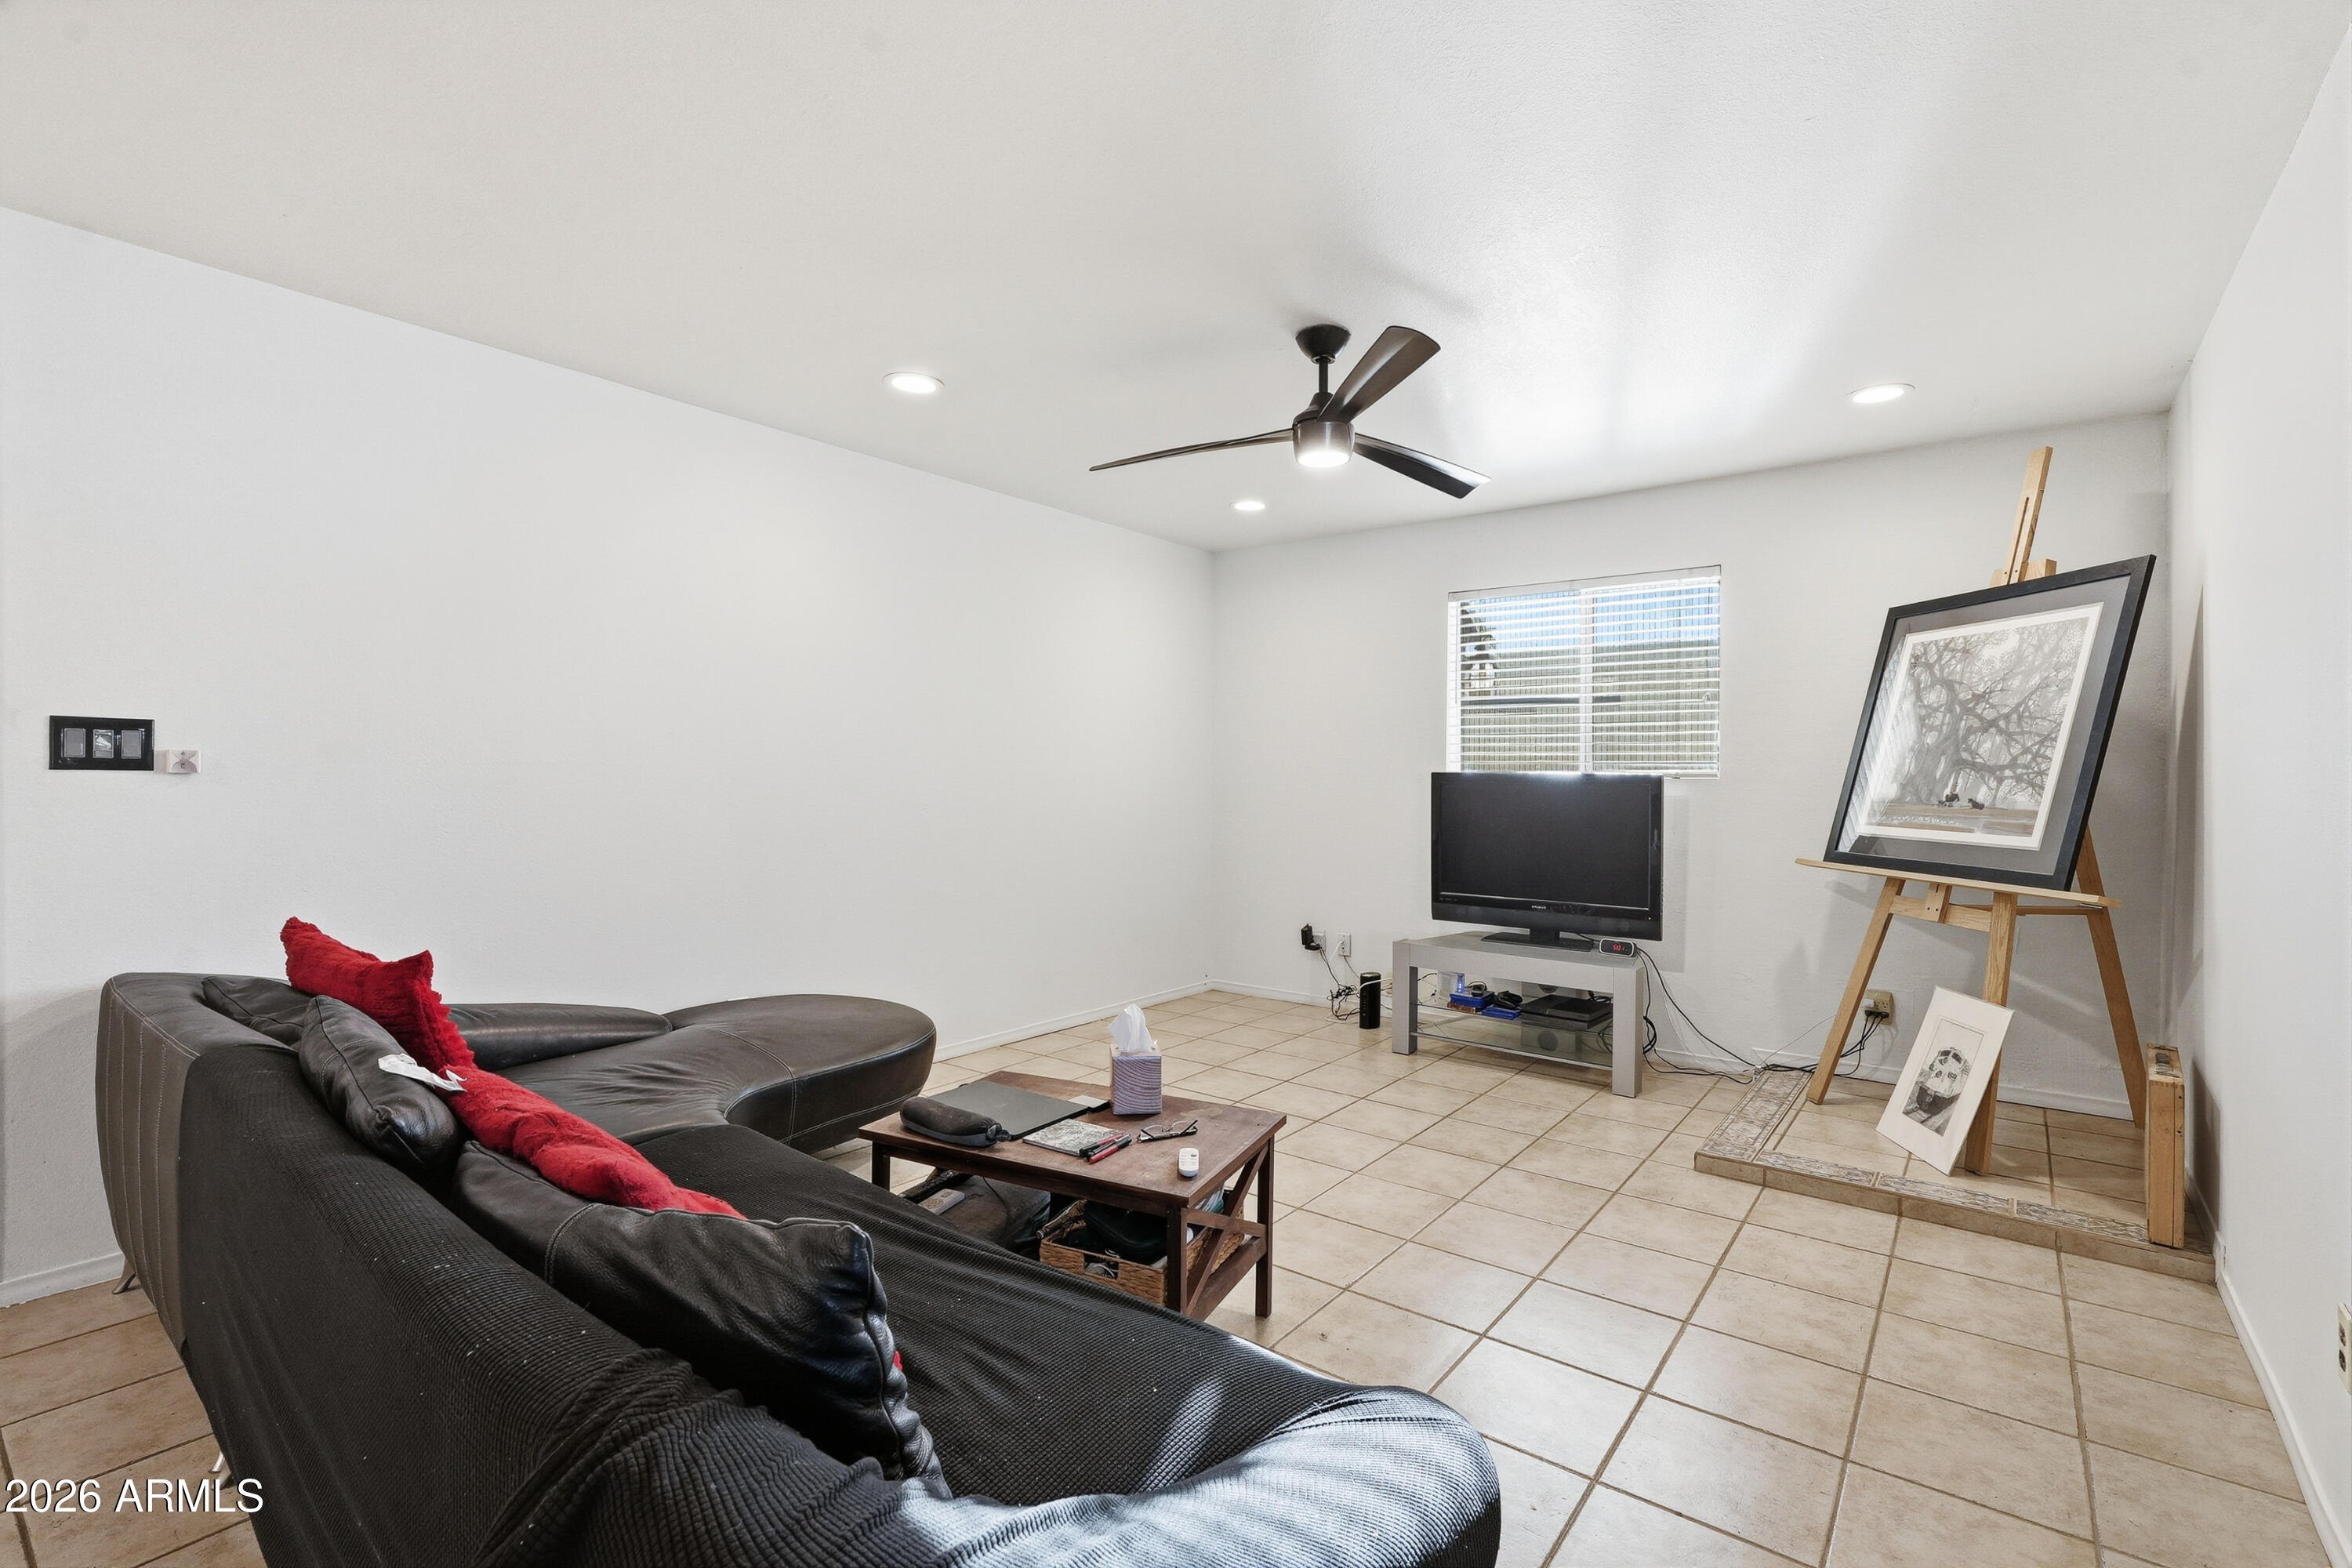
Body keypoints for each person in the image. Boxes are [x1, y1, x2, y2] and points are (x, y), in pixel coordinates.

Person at [1904, 1041, 1970, 1134]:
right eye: (1945, 1053)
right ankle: (1926, 1104)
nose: (1948, 1058)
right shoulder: (1939, 1062)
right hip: (1934, 1087)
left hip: (1943, 1092)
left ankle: (1928, 1104)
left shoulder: (1961, 1070)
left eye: (1957, 1058)